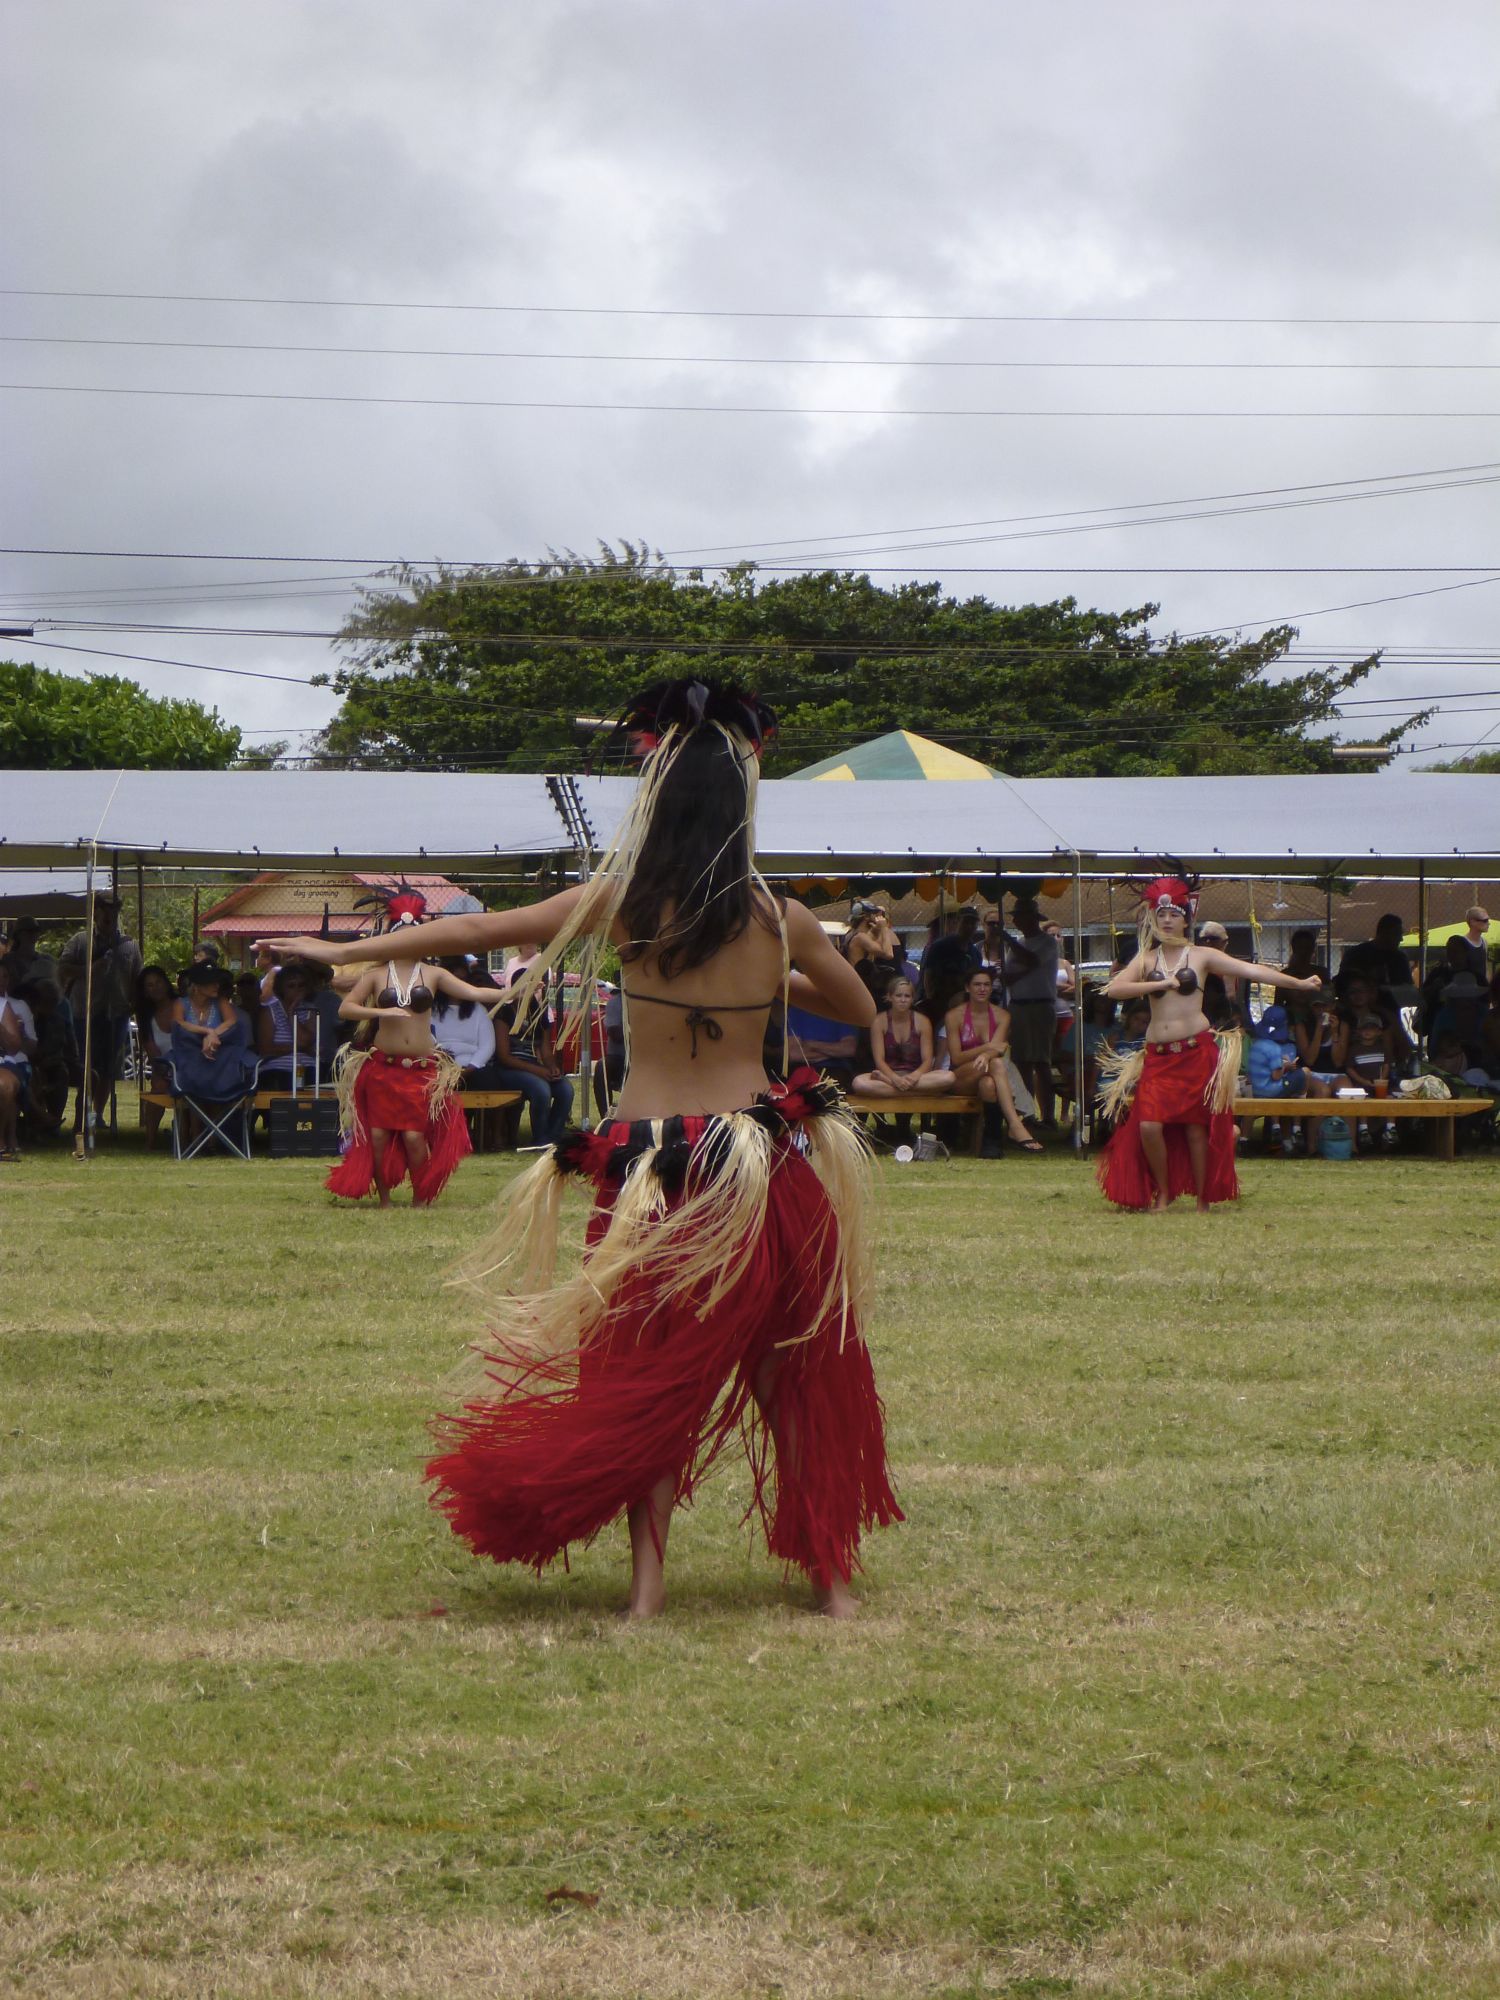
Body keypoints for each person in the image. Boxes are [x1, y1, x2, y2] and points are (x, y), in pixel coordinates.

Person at [258, 677, 900, 1619]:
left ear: (657, 798)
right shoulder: (781, 918)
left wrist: (339, 954)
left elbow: (479, 928)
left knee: (640, 1373)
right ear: (741, 801)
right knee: (788, 1373)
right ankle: (831, 1587)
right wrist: (768, 982)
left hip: (651, 1167)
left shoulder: (623, 903)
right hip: (755, 1163)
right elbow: (859, 1006)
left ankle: (647, 1593)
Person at [1098, 875, 1320, 1212]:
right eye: (1161, 915)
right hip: (1159, 1056)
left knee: (1195, 1128)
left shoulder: (1201, 956)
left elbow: (1251, 970)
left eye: (1174, 915)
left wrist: (1299, 983)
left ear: (1186, 920)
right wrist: (1159, 984)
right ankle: (1164, 1191)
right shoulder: (1146, 959)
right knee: (1149, 1126)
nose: (1167, 920)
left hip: (1195, 1052)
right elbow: (1115, 989)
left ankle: (1203, 1198)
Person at [318, 888, 501, 1207]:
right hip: (383, 1070)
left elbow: (475, 993)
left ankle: (420, 1198)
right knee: (377, 1136)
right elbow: (346, 1008)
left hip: (419, 1072)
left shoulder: (434, 974)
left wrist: (516, 991)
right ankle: (385, 1201)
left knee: (414, 1137)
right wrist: (380, 1012)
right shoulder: (376, 975)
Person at [58, 896, 144, 1122]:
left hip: (116, 1014)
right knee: (86, 1066)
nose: (108, 916)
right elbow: (63, 969)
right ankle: (82, 1115)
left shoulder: (129, 945)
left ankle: (97, 1115)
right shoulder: (80, 941)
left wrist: (134, 1005)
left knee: (108, 1067)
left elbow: (138, 979)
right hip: (84, 1013)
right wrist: (90, 968)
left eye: (113, 911)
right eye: (104, 910)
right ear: (95, 912)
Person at [945, 965, 1043, 1157]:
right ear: (967, 988)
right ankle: (1015, 1125)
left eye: (986, 985)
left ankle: (991, 1144)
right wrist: (986, 1049)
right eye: (977, 984)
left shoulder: (1002, 1016)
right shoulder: (954, 1016)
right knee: (996, 1064)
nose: (982, 989)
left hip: (990, 1074)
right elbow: (956, 1057)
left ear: (991, 988)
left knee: (989, 1083)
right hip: (961, 1076)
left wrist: (988, 1055)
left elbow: (997, 1051)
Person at [1002, 898, 1060, 1126]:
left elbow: (1032, 961)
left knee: (1041, 1062)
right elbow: (1009, 975)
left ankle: (1048, 1116)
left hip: (1040, 1005)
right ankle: (1028, 1114)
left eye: (1019, 916)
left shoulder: (1047, 942)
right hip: (1018, 1005)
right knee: (1022, 1062)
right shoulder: (1018, 943)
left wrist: (1008, 940)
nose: (1016, 921)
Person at [851, 976, 951, 1103]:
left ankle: (896, 1090)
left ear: (912, 999)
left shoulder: (923, 1022)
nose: (903, 1000)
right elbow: (879, 1061)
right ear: (889, 997)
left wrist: (914, 1077)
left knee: (948, 1077)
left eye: (907, 996)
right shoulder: (879, 1021)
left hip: (916, 1077)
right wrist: (894, 1079)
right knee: (859, 1083)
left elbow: (927, 1061)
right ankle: (919, 1092)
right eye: (898, 996)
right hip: (889, 1075)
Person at [133, 964, 179, 1146]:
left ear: (166, 983)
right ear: (145, 992)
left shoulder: (183, 1006)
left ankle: (186, 1138)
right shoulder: (146, 1018)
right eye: (150, 985)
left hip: (189, 1066)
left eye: (158, 982)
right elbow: (153, 1054)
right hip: (164, 1068)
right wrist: (165, 1073)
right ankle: (150, 1141)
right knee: (158, 1086)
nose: (156, 987)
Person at [257, 962, 319, 1090]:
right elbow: (266, 1049)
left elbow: (304, 1041)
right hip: (277, 1069)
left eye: (301, 985)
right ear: (281, 988)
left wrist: (291, 1013)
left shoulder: (311, 1010)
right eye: (291, 986)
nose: (297, 989)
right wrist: (301, 1049)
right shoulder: (269, 1011)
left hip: (306, 1068)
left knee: (310, 1081)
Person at [0, 957, 38, 1162]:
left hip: (13, 1060)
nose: (1, 981)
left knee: (7, 1085)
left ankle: (8, 1138)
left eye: (5, 976)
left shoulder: (13, 1006)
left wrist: (11, 1031)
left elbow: (24, 1046)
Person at [1336, 913, 1413, 1002]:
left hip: (1392, 1006)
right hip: (1360, 1005)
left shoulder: (1400, 958)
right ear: (1384, 933)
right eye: (1397, 934)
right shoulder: (1357, 954)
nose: (1401, 939)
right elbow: (1342, 984)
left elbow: (1408, 987)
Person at [844, 901, 902, 1009]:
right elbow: (889, 954)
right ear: (866, 917)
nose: (877, 916)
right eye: (874, 914)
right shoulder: (861, 937)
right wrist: (884, 928)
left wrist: (876, 931)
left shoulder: (852, 934)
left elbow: (872, 941)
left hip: (856, 983)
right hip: (861, 986)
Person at [1456, 905, 1492, 981]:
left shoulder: (1484, 942)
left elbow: (1485, 968)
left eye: (1488, 920)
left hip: (1481, 986)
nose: (1488, 923)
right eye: (1485, 920)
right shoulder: (1461, 944)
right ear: (1473, 922)